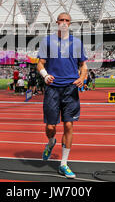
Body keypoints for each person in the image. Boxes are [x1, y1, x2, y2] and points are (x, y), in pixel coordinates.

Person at [37, 12, 88, 179]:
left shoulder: (77, 43)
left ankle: (64, 164)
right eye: (62, 20)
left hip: (70, 89)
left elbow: (84, 66)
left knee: (68, 126)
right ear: (57, 22)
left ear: (70, 23)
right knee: (51, 127)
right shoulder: (47, 41)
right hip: (53, 89)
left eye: (67, 20)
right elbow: (40, 63)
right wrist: (45, 75)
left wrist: (82, 78)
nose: (64, 23)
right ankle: (51, 142)